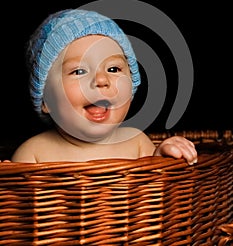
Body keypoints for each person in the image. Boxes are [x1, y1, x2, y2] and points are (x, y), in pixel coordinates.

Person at [11, 9, 197, 164]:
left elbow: (154, 195)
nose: (101, 79)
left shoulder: (137, 142)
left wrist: (162, 158)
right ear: (45, 100)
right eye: (79, 71)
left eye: (113, 68)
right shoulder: (33, 154)